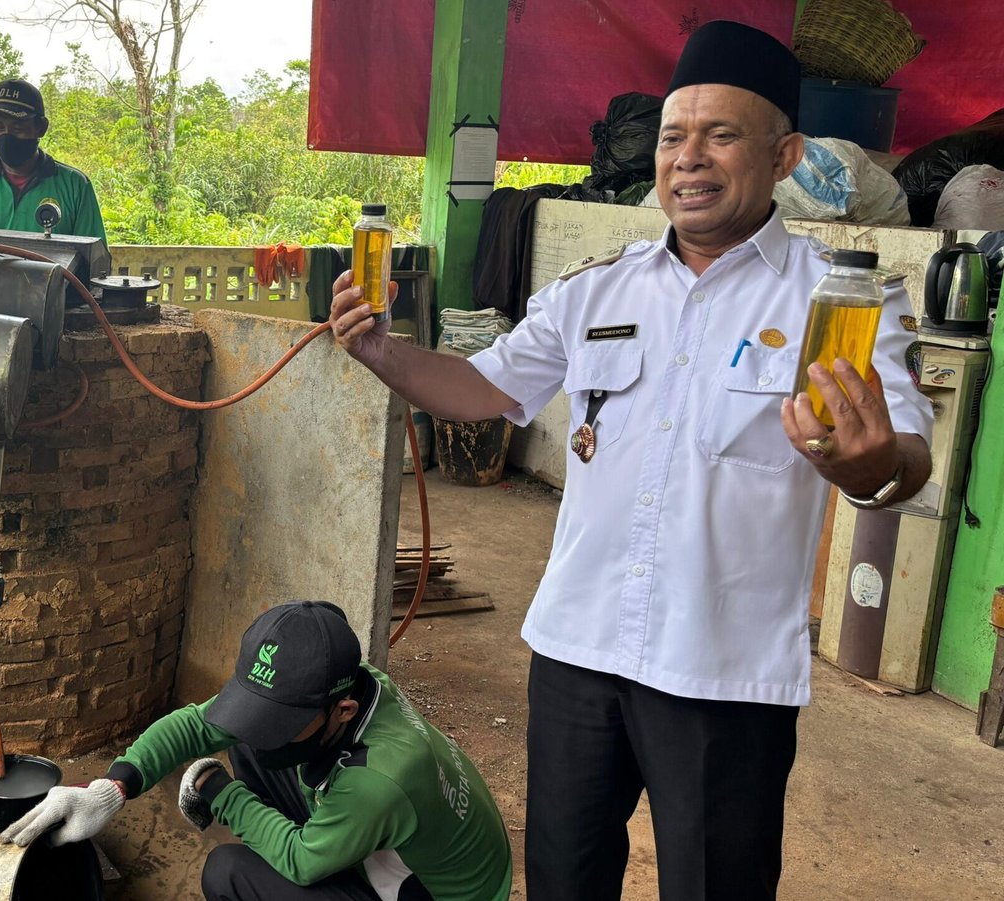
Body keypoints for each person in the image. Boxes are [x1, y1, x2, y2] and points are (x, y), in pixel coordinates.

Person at [328, 20, 933, 901]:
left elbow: (903, 463)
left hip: (723, 673)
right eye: (672, 137)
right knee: (565, 882)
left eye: (721, 135)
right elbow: (484, 389)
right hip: (578, 650)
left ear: (785, 154)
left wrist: (863, 466)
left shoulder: (841, 296)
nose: (689, 158)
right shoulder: (596, 287)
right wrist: (384, 353)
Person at [2, 601, 512, 901]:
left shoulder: (378, 780)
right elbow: (196, 726)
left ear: (344, 710)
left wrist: (221, 794)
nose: (267, 728)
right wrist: (110, 788)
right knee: (253, 745)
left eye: (285, 719)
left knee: (228, 873)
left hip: (423, 894)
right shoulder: (361, 684)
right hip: (398, 843)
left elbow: (301, 861)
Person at [0, 77, 107, 240]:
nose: (7, 136)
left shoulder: (75, 186)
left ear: (41, 128)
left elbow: (93, 260)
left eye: (18, 128)